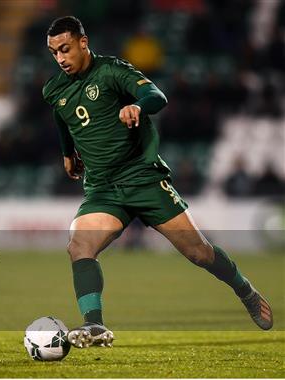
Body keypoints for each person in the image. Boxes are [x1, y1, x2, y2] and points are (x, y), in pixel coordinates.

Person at [42, 16, 273, 349]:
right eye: (54, 53)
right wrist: (67, 153)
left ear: (83, 42)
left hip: (143, 178)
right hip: (104, 188)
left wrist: (137, 105)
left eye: (65, 49)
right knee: (79, 246)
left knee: (199, 253)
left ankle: (245, 290)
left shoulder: (112, 71)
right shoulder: (54, 89)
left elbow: (156, 95)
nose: (61, 58)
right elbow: (61, 116)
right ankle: (94, 325)